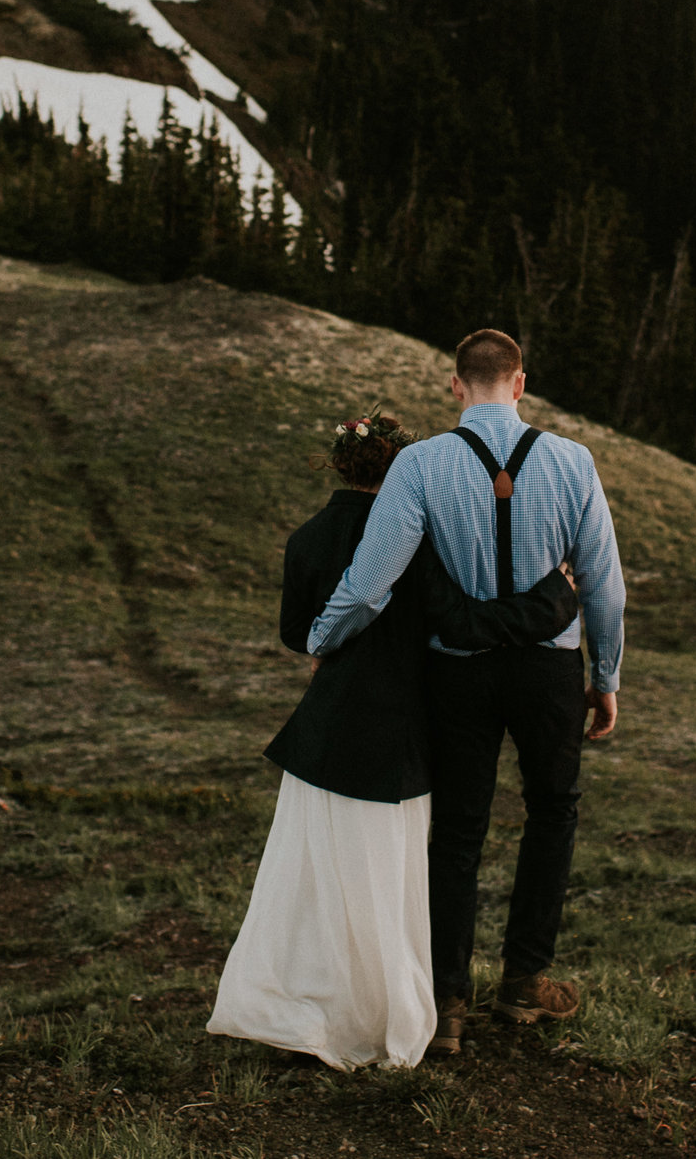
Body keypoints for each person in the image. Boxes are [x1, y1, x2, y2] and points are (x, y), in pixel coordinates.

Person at [208, 408, 576, 1070]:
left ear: (339, 464)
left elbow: (298, 631)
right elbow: (458, 619)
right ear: (400, 464)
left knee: (315, 880)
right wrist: (554, 601)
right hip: (402, 729)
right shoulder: (414, 538)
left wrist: (327, 639)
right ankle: (379, 1014)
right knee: (385, 883)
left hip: (324, 731)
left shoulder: (306, 537)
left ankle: (304, 1003)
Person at [305, 329, 625, 1059]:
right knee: (553, 810)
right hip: (549, 673)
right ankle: (524, 982)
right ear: (520, 384)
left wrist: (323, 641)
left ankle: (446, 1002)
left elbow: (369, 581)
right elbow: (604, 584)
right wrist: (604, 679)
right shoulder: (573, 461)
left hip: (459, 670)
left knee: (455, 831)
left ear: (456, 385)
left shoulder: (420, 464)